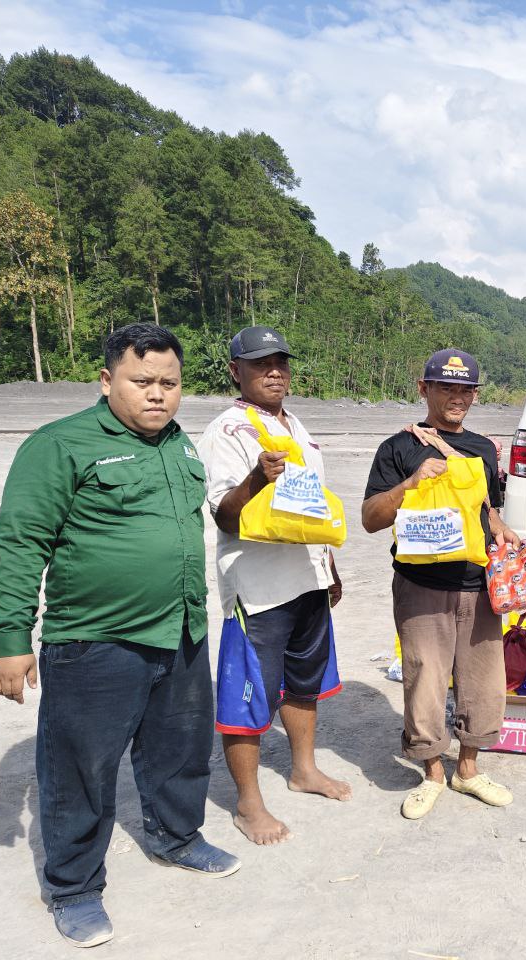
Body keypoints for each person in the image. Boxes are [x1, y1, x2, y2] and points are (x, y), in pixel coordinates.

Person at [0, 324, 239, 949]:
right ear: (107, 380)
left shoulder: (180, 447)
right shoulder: (60, 445)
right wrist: (11, 637)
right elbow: (21, 545)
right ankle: (72, 885)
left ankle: (176, 838)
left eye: (169, 384)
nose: (158, 395)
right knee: (80, 767)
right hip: (95, 640)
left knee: (180, 748)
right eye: (142, 381)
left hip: (180, 630)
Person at [197, 326, 350, 847]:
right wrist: (257, 480)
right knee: (248, 693)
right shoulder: (228, 430)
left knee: (304, 679)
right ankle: (248, 802)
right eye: (261, 363)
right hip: (257, 586)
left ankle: (303, 769)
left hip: (306, 578)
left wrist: (328, 567)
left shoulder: (297, 426)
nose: (274, 371)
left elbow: (310, 506)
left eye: (281, 361)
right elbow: (222, 516)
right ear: (235, 371)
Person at [362, 348, 520, 820]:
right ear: (423, 389)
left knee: (483, 681)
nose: (457, 398)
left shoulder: (485, 448)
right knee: (425, 677)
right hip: (421, 584)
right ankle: (432, 770)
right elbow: (371, 518)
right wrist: (410, 483)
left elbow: (487, 509)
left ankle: (467, 770)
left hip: (478, 583)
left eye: (466, 390)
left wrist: (502, 530)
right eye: (446, 388)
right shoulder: (398, 448)